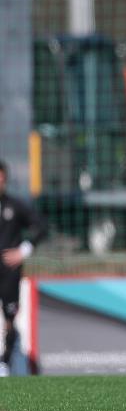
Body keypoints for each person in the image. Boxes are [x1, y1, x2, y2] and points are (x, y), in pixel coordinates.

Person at [0, 159, 48, 376]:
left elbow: (41, 227)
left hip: (9, 274)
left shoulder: (14, 206)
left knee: (9, 318)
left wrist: (24, 250)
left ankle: (5, 361)